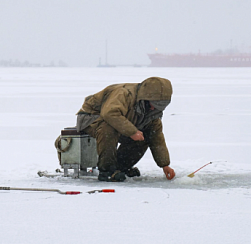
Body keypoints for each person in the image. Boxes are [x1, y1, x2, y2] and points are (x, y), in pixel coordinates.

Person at [76, 77, 175, 182]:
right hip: (92, 118)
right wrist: (132, 131)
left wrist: (164, 165)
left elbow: (156, 136)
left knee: (144, 136)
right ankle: (107, 171)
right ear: (145, 98)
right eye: (153, 104)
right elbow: (109, 114)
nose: (153, 108)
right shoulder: (123, 94)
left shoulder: (152, 111)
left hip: (124, 120)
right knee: (109, 129)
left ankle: (121, 167)